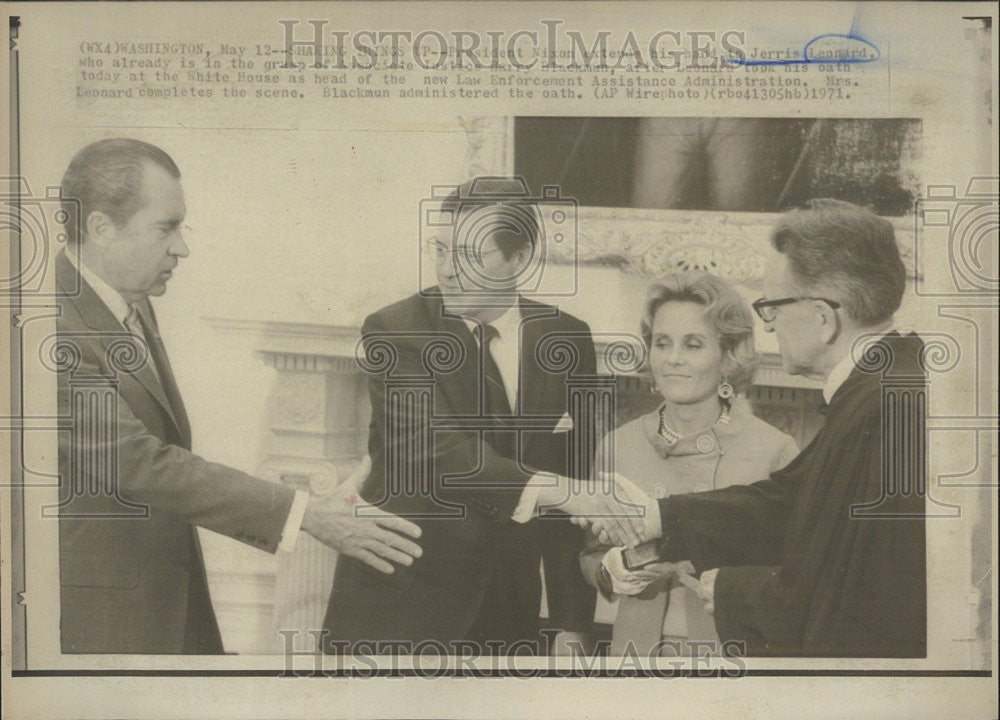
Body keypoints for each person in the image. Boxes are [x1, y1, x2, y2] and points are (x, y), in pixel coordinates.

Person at [55, 138, 423, 654]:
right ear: (99, 227)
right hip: (104, 624)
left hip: (164, 608)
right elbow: (139, 463)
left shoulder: (129, 303)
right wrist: (307, 513)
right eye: (167, 227)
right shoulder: (45, 325)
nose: (181, 248)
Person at [323, 177, 644, 655]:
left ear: (518, 258)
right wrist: (565, 492)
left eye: (471, 255)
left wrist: (570, 625)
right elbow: (438, 450)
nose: (448, 270)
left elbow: (571, 484)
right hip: (397, 613)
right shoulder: (395, 330)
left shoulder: (567, 338)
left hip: (506, 623)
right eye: (441, 249)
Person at [604, 199, 927, 657]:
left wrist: (732, 590)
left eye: (773, 305)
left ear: (823, 317)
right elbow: (791, 501)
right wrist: (658, 515)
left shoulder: (884, 405)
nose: (769, 326)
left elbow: (863, 605)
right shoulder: (884, 384)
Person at [579, 272, 798, 657]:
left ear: (728, 357)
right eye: (662, 343)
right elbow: (591, 553)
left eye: (693, 345)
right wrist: (609, 570)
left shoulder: (775, 450)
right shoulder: (619, 445)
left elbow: (793, 579)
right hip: (636, 655)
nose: (673, 358)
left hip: (731, 656)